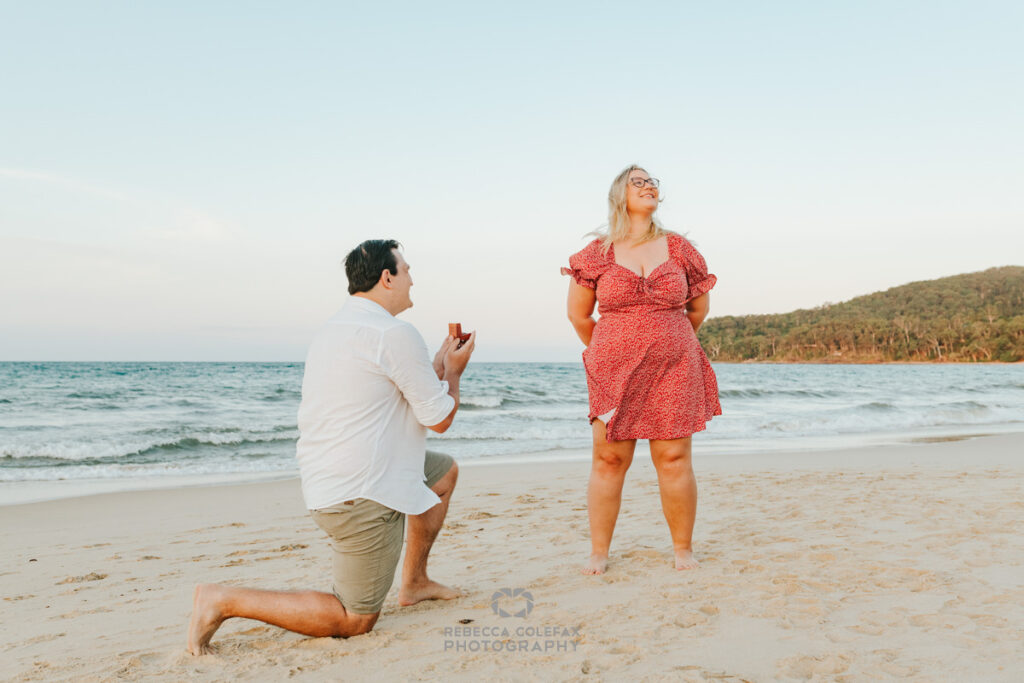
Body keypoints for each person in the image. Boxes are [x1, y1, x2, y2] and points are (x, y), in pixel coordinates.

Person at [187, 239, 475, 654]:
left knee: (443, 471)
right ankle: (223, 599)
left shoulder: (335, 329)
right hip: (360, 493)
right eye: (407, 269)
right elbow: (439, 418)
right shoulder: (394, 333)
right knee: (354, 618)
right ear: (387, 277)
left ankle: (414, 582)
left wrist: (437, 369)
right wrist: (455, 374)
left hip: (331, 475)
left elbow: (396, 393)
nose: (413, 279)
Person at [562, 165, 721, 575]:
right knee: (609, 459)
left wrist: (668, 340)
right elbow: (579, 317)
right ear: (620, 194)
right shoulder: (596, 253)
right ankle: (599, 553)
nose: (649, 185)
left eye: (652, 181)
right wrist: (614, 350)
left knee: (673, 456)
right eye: (639, 181)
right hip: (612, 368)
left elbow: (697, 308)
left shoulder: (679, 248)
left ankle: (682, 550)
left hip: (674, 365)